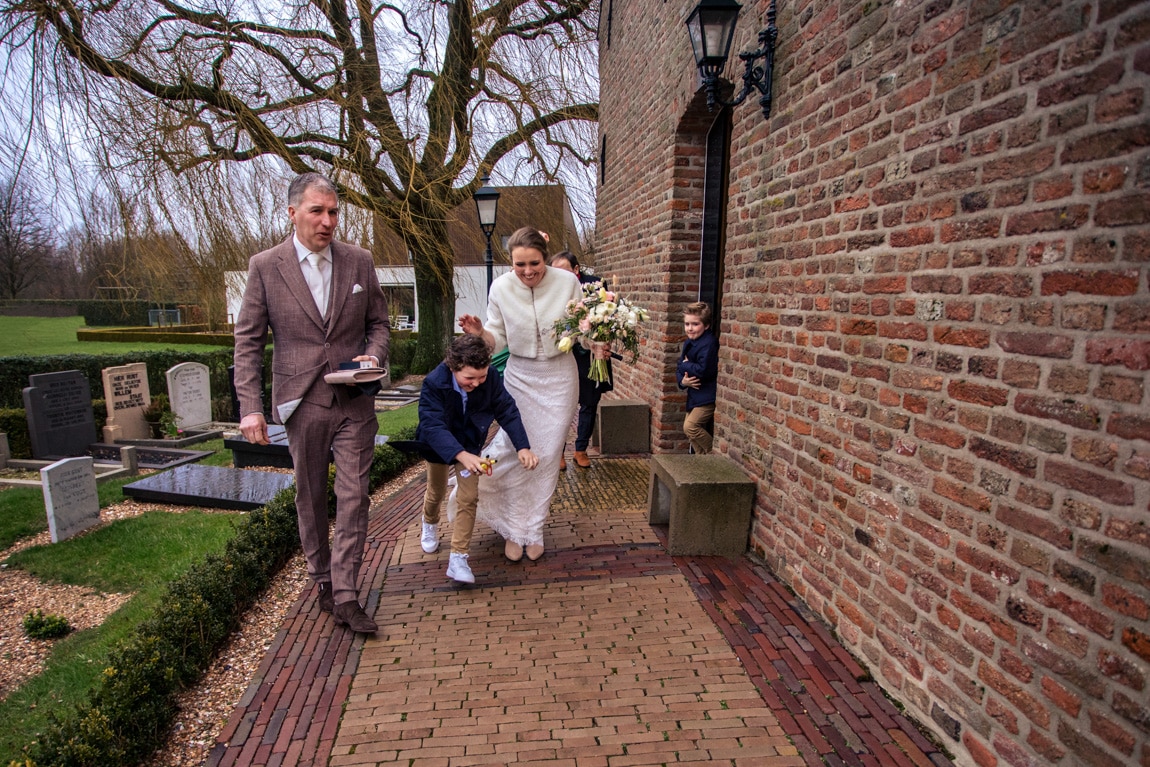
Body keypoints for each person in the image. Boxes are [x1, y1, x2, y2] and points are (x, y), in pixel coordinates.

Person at [233, 172, 389, 634]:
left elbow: (379, 324)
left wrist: (373, 355)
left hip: (354, 400)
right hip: (301, 402)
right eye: (317, 211)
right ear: (292, 213)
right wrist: (250, 406)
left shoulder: (359, 261)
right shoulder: (265, 266)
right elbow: (248, 343)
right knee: (310, 495)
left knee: (355, 495)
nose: (327, 221)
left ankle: (345, 593)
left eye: (334, 212)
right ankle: (321, 577)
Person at [458, 227, 604, 562]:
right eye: (519, 265)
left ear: (545, 258)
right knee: (514, 449)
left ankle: (533, 528)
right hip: (520, 377)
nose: (527, 272)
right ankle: (512, 527)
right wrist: (481, 333)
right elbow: (497, 337)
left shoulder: (567, 283)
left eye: (534, 263)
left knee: (548, 456)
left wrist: (596, 341)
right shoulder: (501, 287)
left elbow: (580, 329)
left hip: (559, 378)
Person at [412, 334, 538, 583]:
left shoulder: (489, 378)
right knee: (436, 491)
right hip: (439, 445)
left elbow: (507, 410)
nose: (477, 383)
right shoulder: (434, 383)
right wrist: (460, 454)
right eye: (470, 378)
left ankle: (458, 558)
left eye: (481, 377)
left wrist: (523, 446)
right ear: (452, 366)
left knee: (468, 497)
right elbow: (432, 425)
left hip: (470, 442)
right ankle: (429, 521)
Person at [549, 251, 612, 469]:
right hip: (564, 354)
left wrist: (603, 337)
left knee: (589, 403)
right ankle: (558, 451)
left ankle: (580, 449)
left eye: (564, 271)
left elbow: (608, 318)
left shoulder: (595, 286)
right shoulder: (550, 291)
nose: (559, 276)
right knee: (561, 405)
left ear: (576, 269)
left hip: (590, 356)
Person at [677, 301, 718, 454]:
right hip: (694, 395)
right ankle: (702, 461)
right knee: (689, 432)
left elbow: (704, 370)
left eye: (695, 324)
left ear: (706, 325)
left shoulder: (709, 343)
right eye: (687, 324)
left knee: (691, 427)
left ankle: (712, 455)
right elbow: (679, 365)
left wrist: (686, 366)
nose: (690, 328)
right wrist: (683, 381)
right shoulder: (689, 342)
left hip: (706, 395)